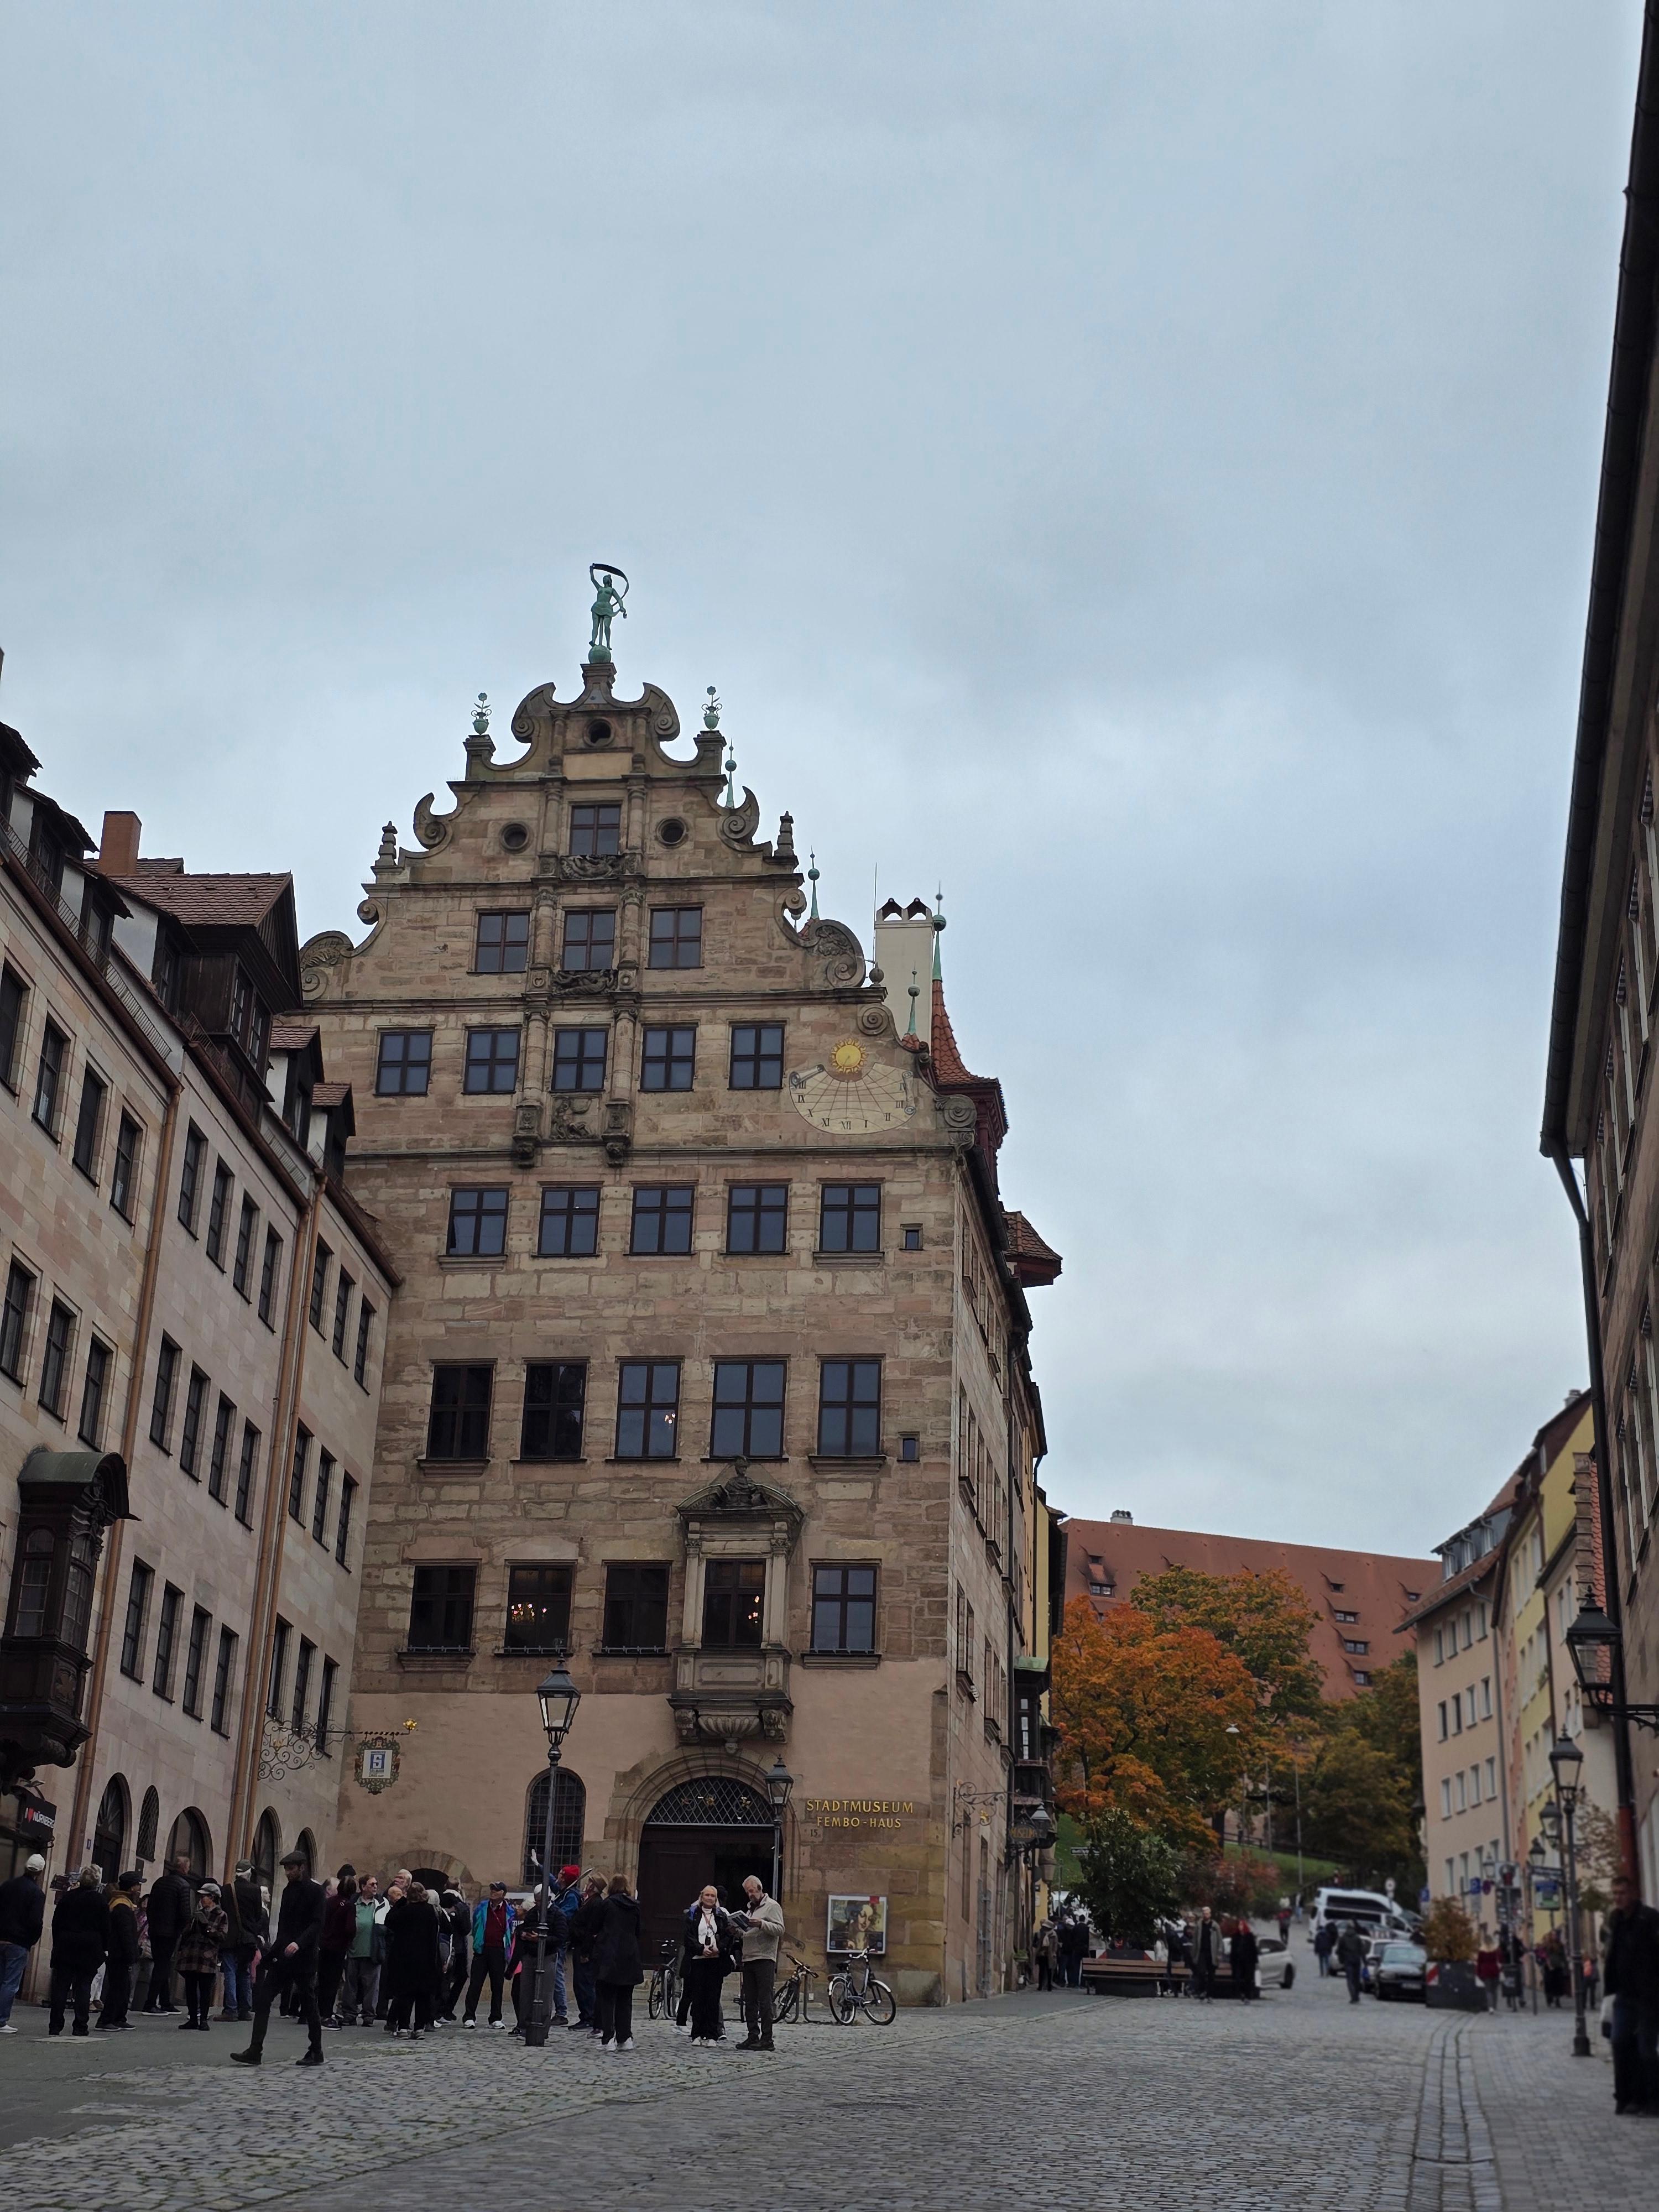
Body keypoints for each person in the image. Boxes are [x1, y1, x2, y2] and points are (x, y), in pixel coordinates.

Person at [232, 1850, 325, 2067]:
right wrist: (271, 1954)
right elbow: (284, 1928)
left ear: (302, 1867)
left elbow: (317, 1924)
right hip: (284, 1957)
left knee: (309, 2002)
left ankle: (316, 2050)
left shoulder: (316, 1892)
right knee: (263, 2000)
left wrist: (299, 1943)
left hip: (304, 1958)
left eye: (292, 1869)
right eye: (286, 1869)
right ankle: (255, 2050)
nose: (288, 1873)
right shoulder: (288, 1891)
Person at [1604, 1871, 1659, 2117]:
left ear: (1633, 1894)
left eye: (1622, 1893)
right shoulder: (1615, 1920)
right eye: (1615, 1893)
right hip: (1624, 1995)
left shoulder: (1649, 1918)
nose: (1618, 1898)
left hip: (1648, 1995)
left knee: (1646, 2049)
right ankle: (1626, 2097)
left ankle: (1653, 2100)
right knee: (1619, 2042)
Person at [48, 1868, 110, 2037]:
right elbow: (106, 1928)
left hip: (66, 1945)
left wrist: (58, 1942)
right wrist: (104, 1948)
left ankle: (55, 2025)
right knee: (83, 1987)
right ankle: (80, 2025)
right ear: (97, 1883)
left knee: (61, 1987)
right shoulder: (100, 1901)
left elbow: (56, 1922)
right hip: (89, 1948)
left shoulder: (68, 1897)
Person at [730, 1872, 785, 2052]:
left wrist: (761, 1924)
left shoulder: (772, 1907)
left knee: (765, 2000)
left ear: (760, 1889)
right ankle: (752, 2036)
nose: (750, 1895)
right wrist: (737, 1932)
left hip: (764, 1958)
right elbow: (748, 1933)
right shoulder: (749, 1910)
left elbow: (780, 1929)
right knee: (750, 2001)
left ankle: (767, 2039)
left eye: (752, 1892)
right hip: (749, 1958)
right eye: (748, 1893)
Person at [681, 1884, 740, 2044]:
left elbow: (728, 1935)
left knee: (713, 1999)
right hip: (698, 1961)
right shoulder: (693, 1915)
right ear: (701, 1897)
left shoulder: (721, 1916)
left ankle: (712, 2034)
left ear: (716, 1899)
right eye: (707, 1895)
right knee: (698, 1998)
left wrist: (718, 1949)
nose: (709, 1898)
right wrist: (701, 1949)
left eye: (712, 1896)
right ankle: (697, 2034)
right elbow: (688, 1936)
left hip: (715, 1962)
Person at [384, 1880, 442, 2040]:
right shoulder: (430, 1911)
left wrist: (401, 1901)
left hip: (405, 1959)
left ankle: (403, 2028)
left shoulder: (406, 1911)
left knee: (405, 1995)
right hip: (426, 1959)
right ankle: (419, 2029)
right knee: (423, 1996)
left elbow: (389, 1921)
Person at [594, 1872, 644, 2050]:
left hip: (610, 1956)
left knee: (607, 1999)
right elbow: (639, 1931)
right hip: (629, 1957)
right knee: (625, 1999)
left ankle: (608, 2039)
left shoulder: (607, 1904)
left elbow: (597, 1927)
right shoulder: (635, 1906)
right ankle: (625, 2038)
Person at [0, 1851, 48, 2033]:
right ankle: (2, 2020)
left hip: (2, 1938)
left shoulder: (8, 1886)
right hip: (18, 1942)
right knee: (10, 1983)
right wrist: (32, 1940)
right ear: (40, 1872)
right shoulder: (36, 1893)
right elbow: (35, 1922)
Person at [142, 1852, 194, 2013]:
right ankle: (150, 2003)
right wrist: (183, 1930)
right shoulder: (183, 1885)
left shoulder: (159, 1882)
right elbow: (185, 1912)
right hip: (170, 1932)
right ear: (185, 1868)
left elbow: (150, 1907)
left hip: (156, 1930)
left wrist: (152, 1924)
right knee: (163, 1965)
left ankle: (165, 2002)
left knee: (161, 1963)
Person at [175, 1880, 231, 2030]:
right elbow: (186, 1932)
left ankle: (203, 2020)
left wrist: (207, 1928)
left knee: (206, 1990)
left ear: (212, 1897)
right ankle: (193, 2019)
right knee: (191, 1988)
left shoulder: (221, 1915)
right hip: (191, 1955)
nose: (202, 1899)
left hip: (207, 1956)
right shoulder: (196, 1913)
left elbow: (222, 1936)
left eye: (205, 1896)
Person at [462, 1881, 515, 2028]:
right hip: (482, 1950)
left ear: (503, 1894)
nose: (493, 1892)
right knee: (475, 1985)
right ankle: (469, 2016)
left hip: (499, 1951)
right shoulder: (482, 1907)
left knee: (497, 1986)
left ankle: (495, 2018)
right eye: (492, 1889)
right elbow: (475, 1925)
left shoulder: (509, 1911)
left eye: (497, 1890)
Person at [221, 1862, 268, 2022]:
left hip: (230, 1938)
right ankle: (245, 2010)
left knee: (230, 1972)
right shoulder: (255, 1890)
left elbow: (224, 1912)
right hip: (248, 1939)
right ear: (249, 1874)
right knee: (244, 1972)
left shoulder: (227, 1889)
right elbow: (257, 1915)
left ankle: (231, 2009)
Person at [338, 1874, 385, 2026]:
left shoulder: (381, 1904)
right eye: (372, 1884)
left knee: (371, 1986)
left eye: (376, 1884)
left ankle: (368, 2015)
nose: (375, 1887)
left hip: (373, 1950)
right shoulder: (353, 1903)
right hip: (353, 1950)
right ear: (363, 1886)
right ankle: (350, 2013)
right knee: (350, 1985)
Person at [101, 1872, 142, 2030]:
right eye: (138, 1885)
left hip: (119, 1953)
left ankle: (119, 2017)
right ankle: (106, 2019)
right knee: (118, 1987)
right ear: (132, 1887)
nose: (139, 1888)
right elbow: (125, 1933)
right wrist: (131, 1954)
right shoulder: (122, 1905)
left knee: (123, 1987)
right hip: (119, 1954)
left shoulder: (122, 1903)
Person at [317, 1875, 357, 2026]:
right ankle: (326, 2015)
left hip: (324, 1945)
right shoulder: (349, 1906)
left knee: (322, 1981)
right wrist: (349, 1940)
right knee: (333, 1982)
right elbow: (350, 1928)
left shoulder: (329, 1902)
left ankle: (320, 2012)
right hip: (338, 1947)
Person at [570, 1874, 607, 2033]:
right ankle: (585, 2015)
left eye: (590, 1883)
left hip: (586, 1949)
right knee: (580, 1984)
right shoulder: (589, 1901)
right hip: (580, 1945)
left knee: (584, 1984)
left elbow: (592, 1930)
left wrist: (585, 1952)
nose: (586, 1885)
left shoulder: (597, 1903)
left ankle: (589, 2017)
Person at [439, 1888, 469, 2021]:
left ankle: (445, 2009)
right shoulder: (460, 1907)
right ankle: (444, 2009)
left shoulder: (447, 1904)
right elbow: (466, 1929)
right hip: (456, 1949)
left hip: (453, 1948)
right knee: (449, 1979)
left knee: (450, 1979)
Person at [1191, 1907, 1224, 2002]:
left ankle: (1210, 1995)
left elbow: (1220, 1940)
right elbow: (1195, 1940)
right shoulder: (1199, 1925)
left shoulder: (1215, 1926)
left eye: (1207, 1913)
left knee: (1211, 1975)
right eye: (1204, 1913)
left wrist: (1219, 1953)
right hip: (1202, 1952)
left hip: (1212, 1953)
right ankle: (1202, 1992)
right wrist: (1194, 1954)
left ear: (1210, 1914)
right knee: (1201, 1973)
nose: (1205, 1915)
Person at [1335, 1921, 1367, 2004]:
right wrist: (1365, 1962)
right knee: (1356, 1980)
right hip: (1356, 1961)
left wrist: (1341, 1960)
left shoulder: (1343, 1938)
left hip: (1348, 1961)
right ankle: (1356, 1996)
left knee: (1350, 1979)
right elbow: (1362, 1951)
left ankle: (1353, 1997)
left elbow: (1339, 1951)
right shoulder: (1357, 1938)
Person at [1230, 1917, 1260, 2001]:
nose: (1240, 1927)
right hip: (1238, 1962)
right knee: (1238, 1978)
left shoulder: (1249, 1937)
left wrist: (1256, 1962)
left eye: (1241, 1925)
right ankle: (1242, 1993)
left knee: (1248, 1979)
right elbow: (1233, 1951)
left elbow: (1254, 1950)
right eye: (1239, 1925)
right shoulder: (1236, 1937)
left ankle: (1247, 1995)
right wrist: (1232, 1961)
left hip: (1248, 1962)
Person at [1474, 1933, 1501, 2013]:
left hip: (1485, 1971)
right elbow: (1500, 1959)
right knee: (1494, 1989)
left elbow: (1479, 1962)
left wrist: (1478, 1972)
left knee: (1488, 1991)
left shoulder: (1482, 1950)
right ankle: (1495, 2006)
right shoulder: (1496, 1949)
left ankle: (1491, 2007)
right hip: (1495, 1970)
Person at [1034, 1918, 1058, 1992]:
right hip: (1042, 1954)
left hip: (1050, 1954)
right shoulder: (1041, 1934)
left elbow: (1055, 1945)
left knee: (1049, 1970)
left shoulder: (1054, 1935)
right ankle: (1040, 1986)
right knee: (1041, 1970)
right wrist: (1039, 1951)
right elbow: (1039, 1944)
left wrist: (1054, 1953)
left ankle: (1049, 1986)